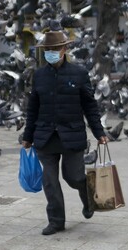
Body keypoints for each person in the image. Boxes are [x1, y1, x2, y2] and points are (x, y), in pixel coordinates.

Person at [22, 31, 108, 236]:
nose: (51, 53)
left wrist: (99, 132)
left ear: (64, 49)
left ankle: (87, 197)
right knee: (50, 180)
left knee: (74, 177)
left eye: (55, 49)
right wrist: (27, 136)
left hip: (72, 135)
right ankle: (56, 221)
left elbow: (90, 105)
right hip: (45, 136)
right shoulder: (39, 75)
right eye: (48, 50)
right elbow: (32, 108)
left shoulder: (79, 73)